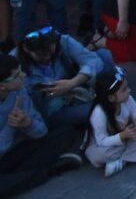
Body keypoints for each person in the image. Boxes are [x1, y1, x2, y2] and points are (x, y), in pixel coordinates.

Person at [0, 53, 84, 194]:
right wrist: (11, 126)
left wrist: (28, 123)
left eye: (21, 70)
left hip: (17, 152)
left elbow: (41, 131)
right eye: (17, 75)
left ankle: (25, 173)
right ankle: (50, 169)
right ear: (2, 85)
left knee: (66, 133)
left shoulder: (18, 92)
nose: (23, 75)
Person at [17, 26, 111, 130]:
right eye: (41, 55)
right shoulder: (15, 66)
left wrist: (72, 83)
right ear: (26, 49)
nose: (47, 58)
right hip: (53, 108)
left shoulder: (62, 41)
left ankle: (110, 99)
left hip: (77, 90)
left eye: (50, 53)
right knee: (98, 111)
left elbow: (94, 61)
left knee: (105, 56)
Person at [85, 67, 136, 178]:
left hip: (128, 138)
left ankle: (122, 161)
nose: (129, 90)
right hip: (107, 145)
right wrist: (121, 136)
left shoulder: (128, 99)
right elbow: (101, 141)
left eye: (127, 87)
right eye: (124, 90)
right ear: (111, 98)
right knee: (94, 154)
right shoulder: (98, 113)